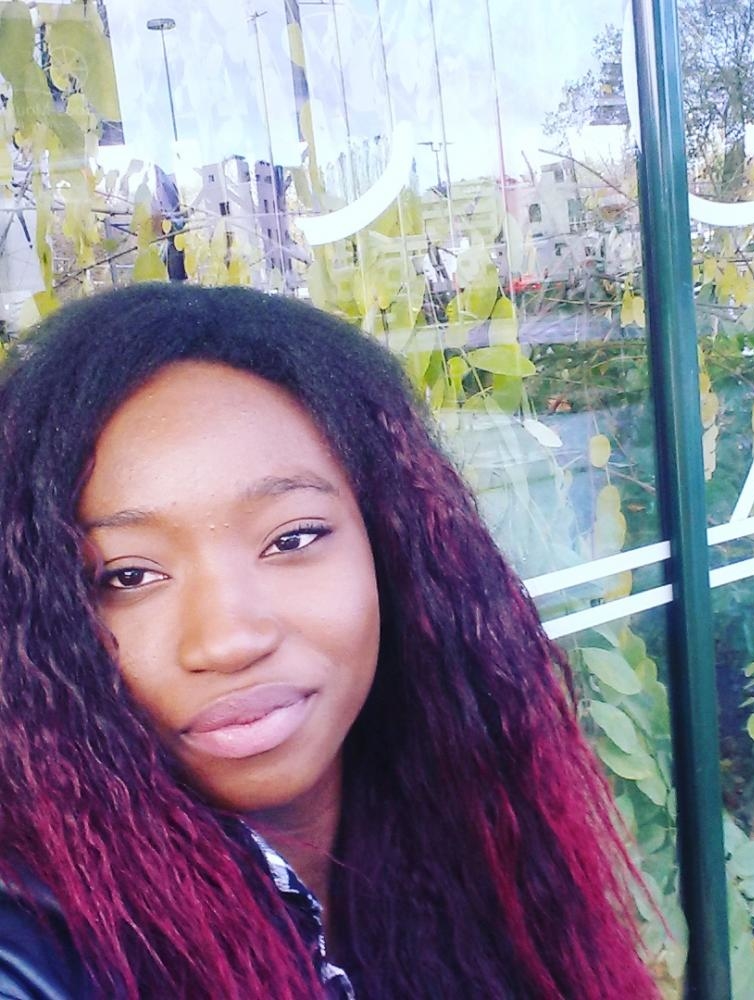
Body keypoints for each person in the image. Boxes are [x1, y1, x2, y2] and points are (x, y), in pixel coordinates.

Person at [0, 283, 661, 998]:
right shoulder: (31, 951)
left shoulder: (475, 834)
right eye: (128, 576)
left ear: (391, 544)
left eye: (292, 539)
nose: (229, 641)